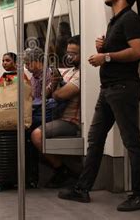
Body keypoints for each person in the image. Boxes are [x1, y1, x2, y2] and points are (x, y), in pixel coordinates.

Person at [59, 0, 140, 212]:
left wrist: (106, 56)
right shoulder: (115, 21)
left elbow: (138, 51)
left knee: (131, 141)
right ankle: (82, 188)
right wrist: (105, 47)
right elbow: (122, 49)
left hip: (123, 88)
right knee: (95, 138)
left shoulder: (130, 19)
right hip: (109, 89)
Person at [31, 35, 81, 188]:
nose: (69, 56)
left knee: (36, 135)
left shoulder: (81, 75)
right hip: (56, 115)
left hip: (70, 120)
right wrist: (53, 84)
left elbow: (60, 95)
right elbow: (45, 95)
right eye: (68, 53)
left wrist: (56, 88)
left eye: (74, 53)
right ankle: (30, 173)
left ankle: (62, 170)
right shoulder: (67, 72)